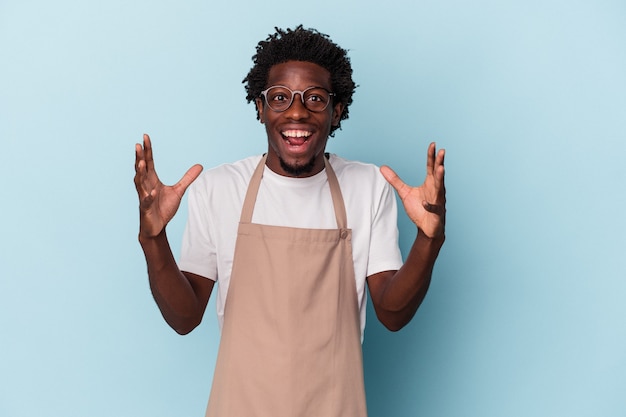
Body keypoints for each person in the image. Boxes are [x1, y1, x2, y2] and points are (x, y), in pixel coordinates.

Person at [134, 25, 446, 417]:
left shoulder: (368, 187)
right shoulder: (219, 188)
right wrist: (153, 239)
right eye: (280, 98)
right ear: (260, 108)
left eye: (315, 99)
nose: (296, 111)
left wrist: (428, 240)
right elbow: (184, 317)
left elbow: (393, 313)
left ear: (337, 110)